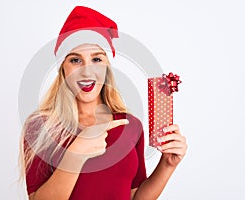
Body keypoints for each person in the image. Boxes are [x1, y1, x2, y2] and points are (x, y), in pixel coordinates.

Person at [19, 6, 187, 200]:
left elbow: (135, 197)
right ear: (62, 69)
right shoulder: (41, 127)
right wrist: (76, 152)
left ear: (107, 67)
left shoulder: (130, 126)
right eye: (75, 60)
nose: (87, 72)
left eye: (97, 59)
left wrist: (167, 164)